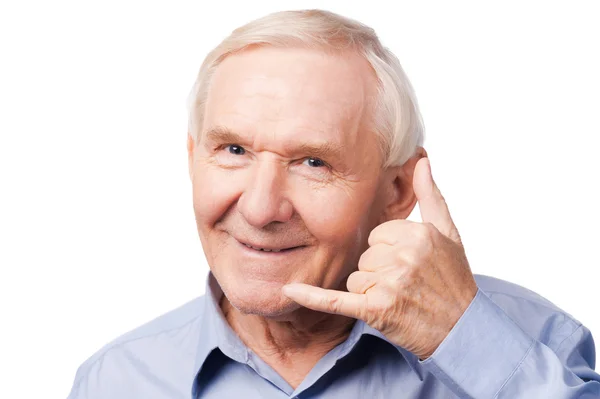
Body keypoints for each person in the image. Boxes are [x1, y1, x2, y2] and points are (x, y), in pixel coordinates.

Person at [67, 9, 600, 399]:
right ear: (192, 158)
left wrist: (464, 338)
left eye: (313, 163)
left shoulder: (535, 342)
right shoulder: (113, 381)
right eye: (233, 150)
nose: (259, 208)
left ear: (397, 192)